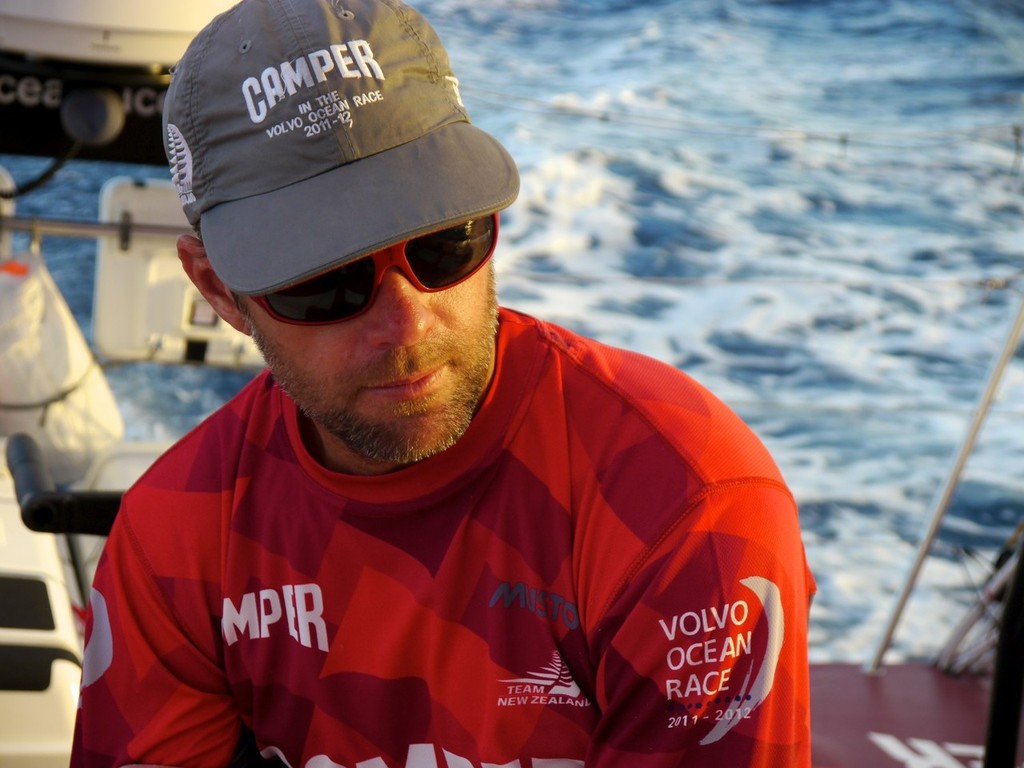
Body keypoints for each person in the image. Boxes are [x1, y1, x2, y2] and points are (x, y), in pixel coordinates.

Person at [72, 0, 816, 765]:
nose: (408, 322)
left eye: (443, 241)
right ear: (217, 289)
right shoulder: (172, 537)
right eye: (325, 282)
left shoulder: (682, 504)